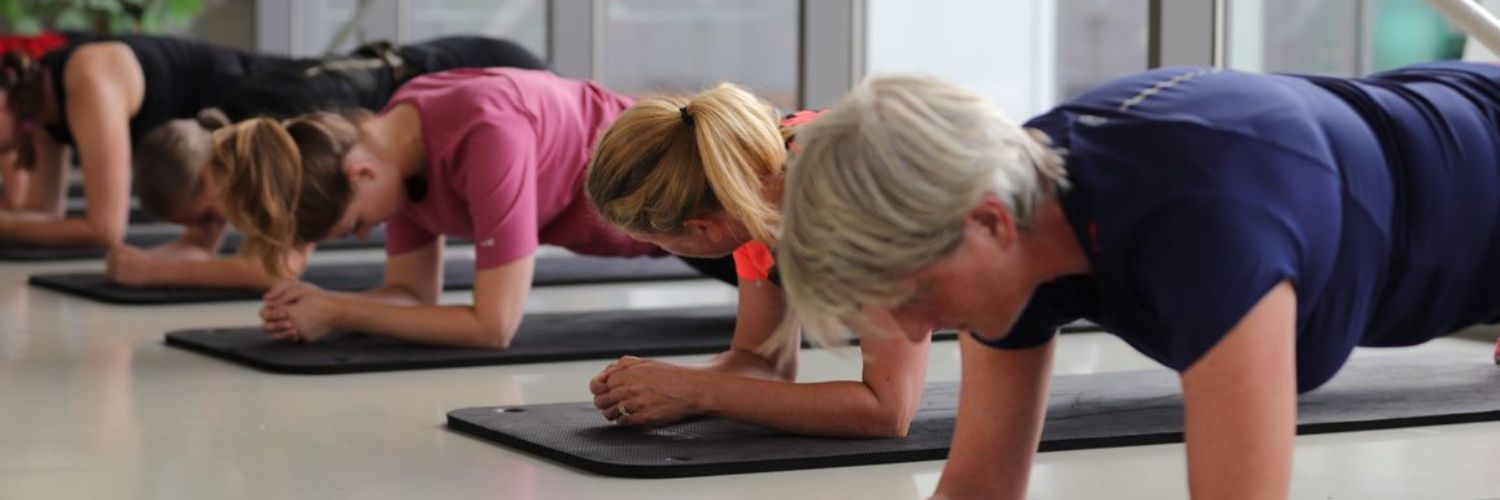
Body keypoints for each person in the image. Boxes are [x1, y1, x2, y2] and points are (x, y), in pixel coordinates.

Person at [777, 63, 1500, 499]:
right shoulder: (1022, 205)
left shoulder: (1206, 222)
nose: (911, 332)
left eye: (914, 298)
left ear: (988, 225)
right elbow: (978, 487)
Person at [0, 33, 545, 289]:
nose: (221, 226)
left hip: (490, 73)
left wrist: (154, 270)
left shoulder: (286, 137)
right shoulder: (236, 136)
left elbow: (280, 268)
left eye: (212, 218)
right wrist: (187, 252)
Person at [210, 67, 696, 348]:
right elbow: (410, 294)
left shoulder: (487, 132)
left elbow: (494, 325)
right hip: (672, 238)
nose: (365, 235)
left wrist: (340, 311)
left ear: (360, 174)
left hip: (698, 203)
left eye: (355, 223)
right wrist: (321, 306)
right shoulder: (394, 153)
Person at [582, 84, 928, 438]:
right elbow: (763, 361)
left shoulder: (853, 202)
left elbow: (888, 411)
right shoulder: (745, 184)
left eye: (657, 242)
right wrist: (670, 382)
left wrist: (695, 391)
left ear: (704, 229)